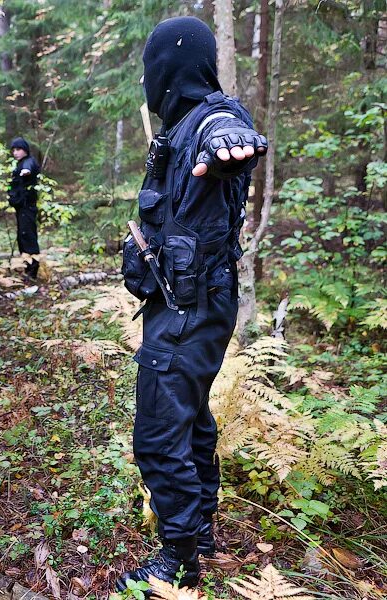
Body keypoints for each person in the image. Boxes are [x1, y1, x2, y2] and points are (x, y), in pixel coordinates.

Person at [118, 17, 268, 592]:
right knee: (192, 420)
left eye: (152, 70)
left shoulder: (211, 119)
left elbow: (228, 132)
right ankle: (198, 532)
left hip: (190, 309)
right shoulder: (179, 127)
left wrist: (228, 143)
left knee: (160, 432)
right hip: (186, 305)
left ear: (173, 70)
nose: (147, 82)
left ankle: (178, 561)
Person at [8, 137, 41, 279]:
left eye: (18, 149)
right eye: (13, 150)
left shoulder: (28, 162)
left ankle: (33, 270)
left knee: (28, 236)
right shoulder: (19, 164)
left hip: (27, 206)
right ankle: (28, 267)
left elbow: (29, 168)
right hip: (21, 207)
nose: (15, 152)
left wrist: (26, 172)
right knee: (22, 236)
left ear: (25, 150)